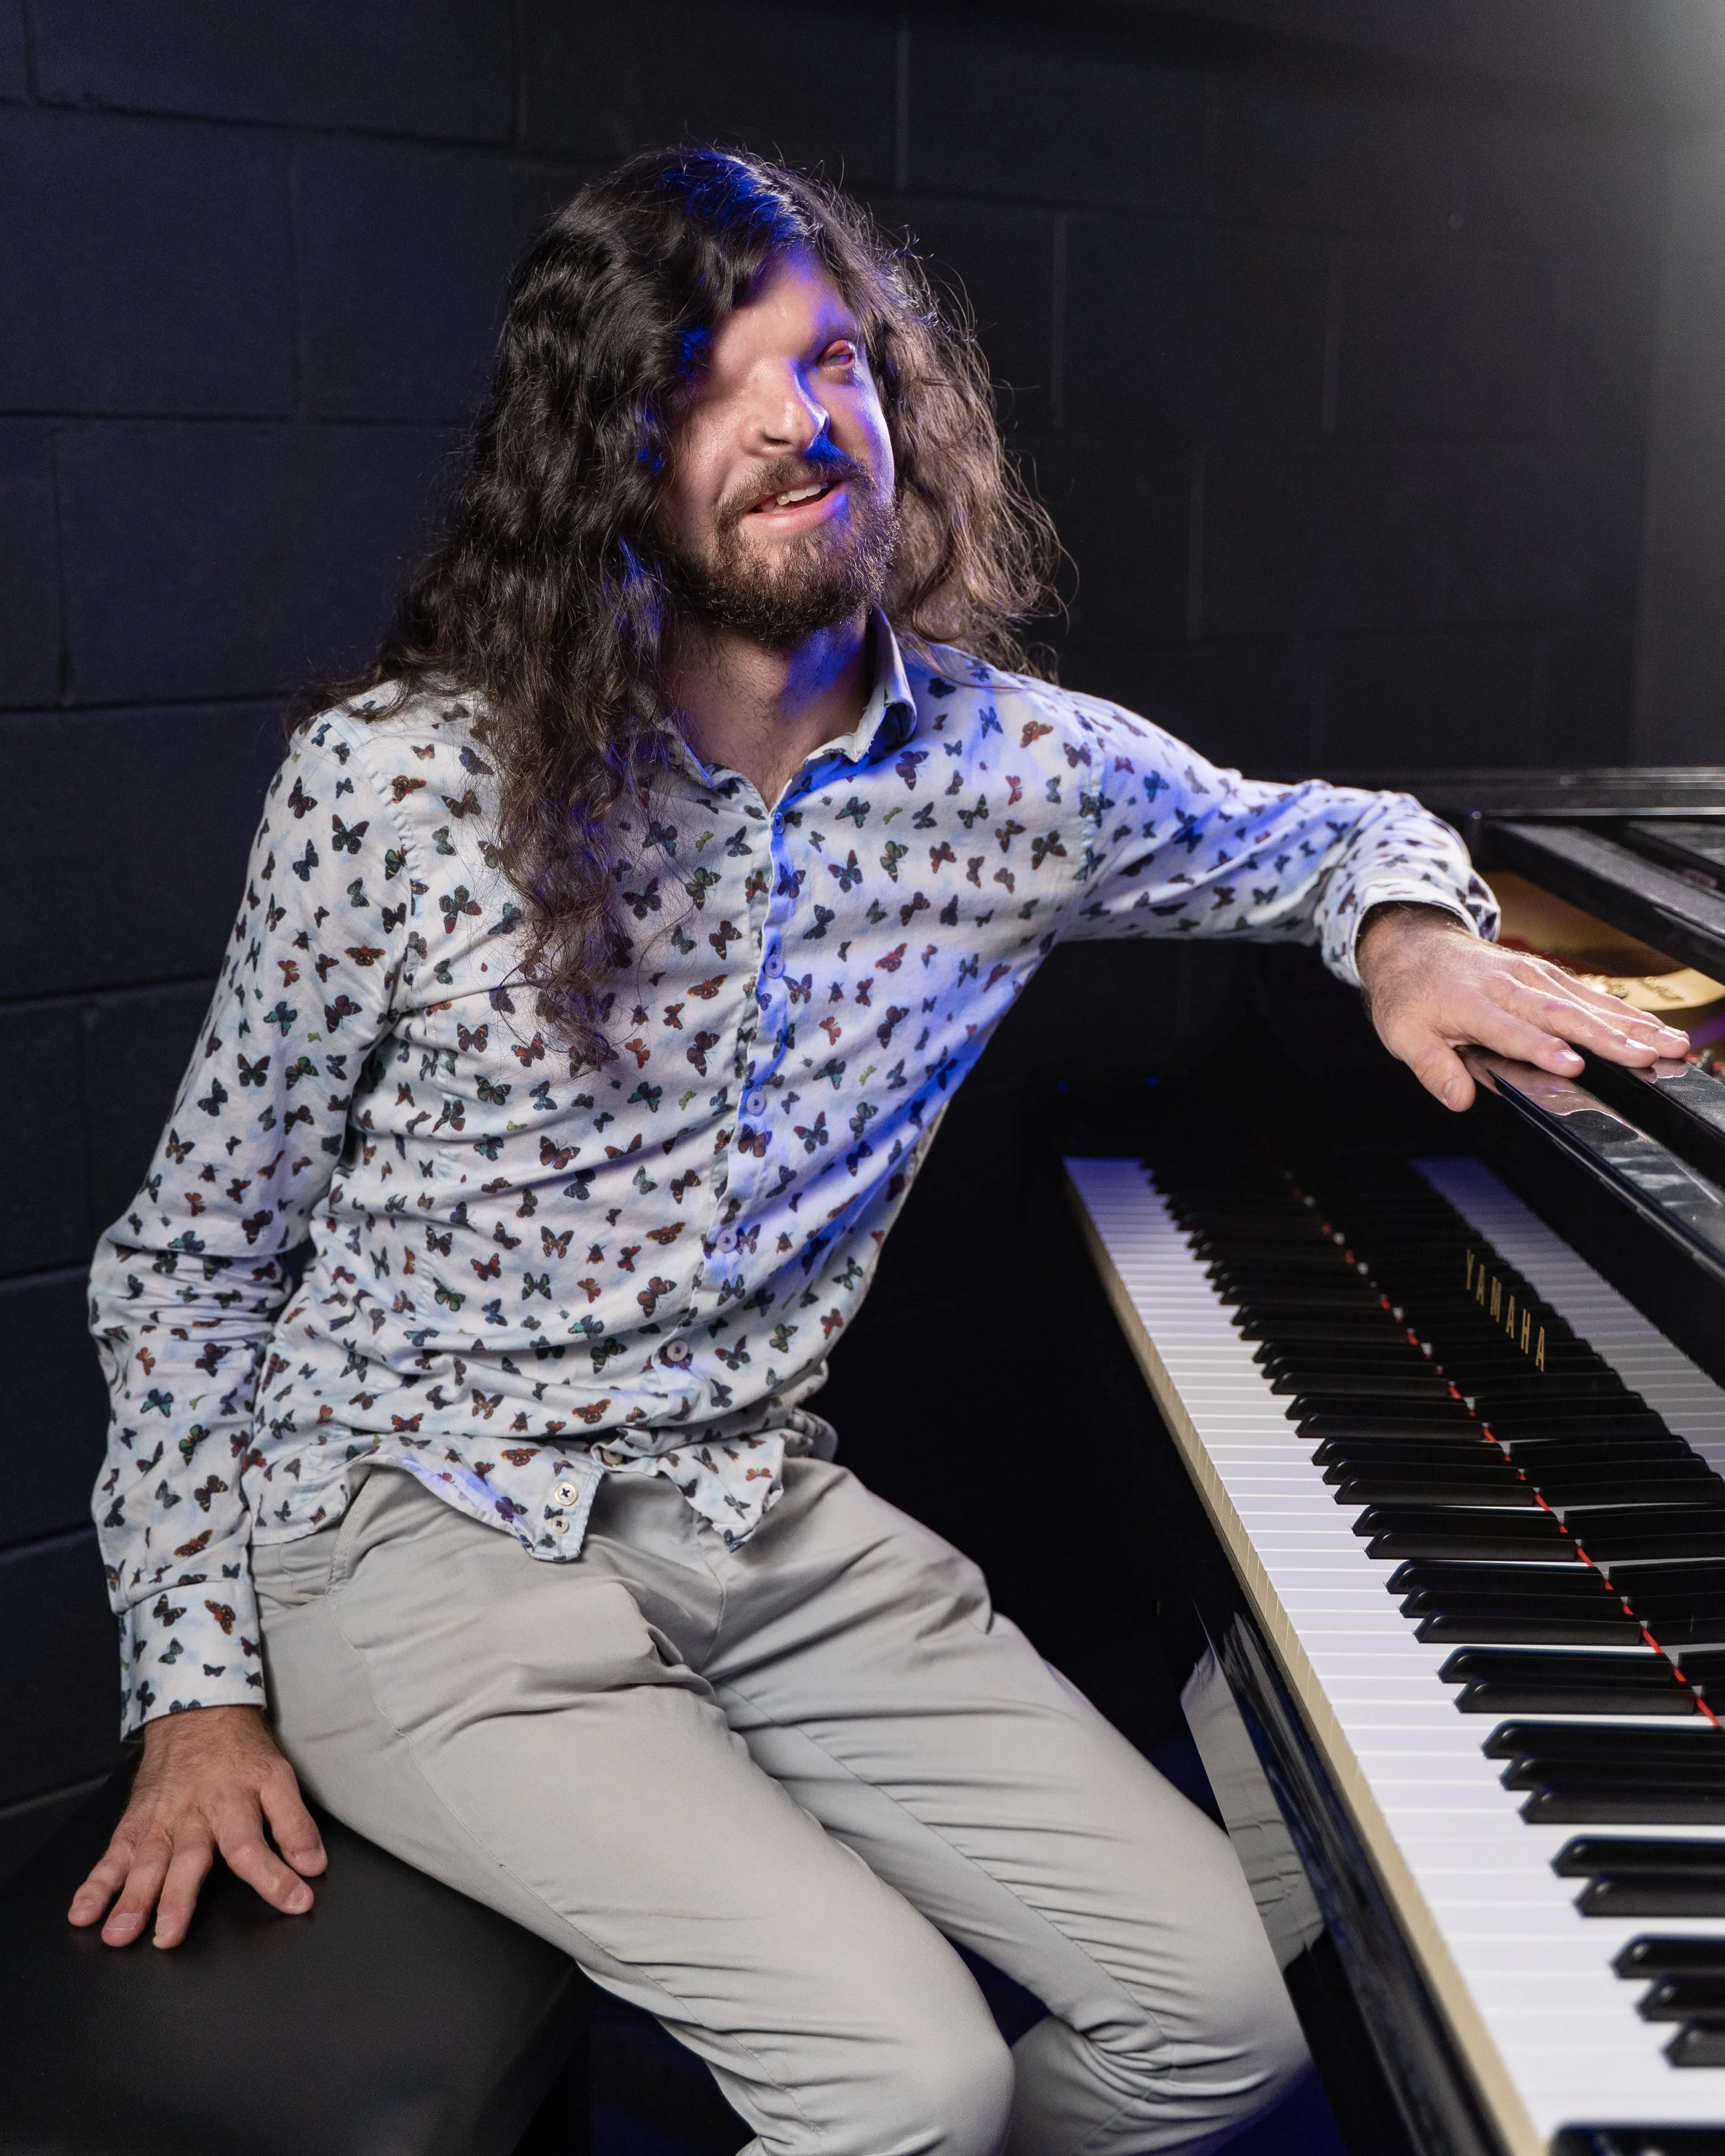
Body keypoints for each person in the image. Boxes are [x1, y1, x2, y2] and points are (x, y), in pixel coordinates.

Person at [72, 148, 1687, 2156]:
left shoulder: (1010, 774)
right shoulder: (399, 781)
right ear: (603, 451)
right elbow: (187, 1259)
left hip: (760, 1518)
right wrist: (194, 1688)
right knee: (905, 2077)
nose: (797, 418)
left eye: (833, 358)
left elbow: (1322, 834)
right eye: (705, 378)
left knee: (1223, 2014)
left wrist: (1411, 933)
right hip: (416, 1530)